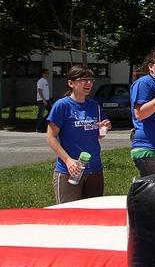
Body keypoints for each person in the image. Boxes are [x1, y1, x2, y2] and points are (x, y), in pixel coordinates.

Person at [46, 64, 111, 204]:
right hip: (70, 171)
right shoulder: (62, 105)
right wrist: (68, 160)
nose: (88, 83)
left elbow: (96, 135)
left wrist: (103, 128)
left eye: (91, 80)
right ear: (71, 83)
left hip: (95, 170)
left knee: (93, 215)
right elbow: (51, 137)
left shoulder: (94, 106)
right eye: (83, 80)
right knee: (69, 216)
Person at [35, 68, 51, 133]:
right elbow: (39, 90)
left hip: (46, 99)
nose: (47, 74)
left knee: (51, 112)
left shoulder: (45, 81)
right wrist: (44, 99)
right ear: (43, 74)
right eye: (46, 73)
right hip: (42, 100)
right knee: (40, 114)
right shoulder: (41, 81)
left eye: (48, 73)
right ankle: (38, 128)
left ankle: (44, 123)